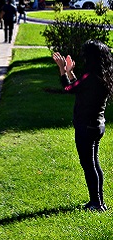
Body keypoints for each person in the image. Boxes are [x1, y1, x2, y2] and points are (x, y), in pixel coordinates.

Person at [53, 41, 113, 211]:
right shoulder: (103, 75)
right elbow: (78, 88)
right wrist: (71, 72)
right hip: (97, 125)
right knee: (94, 163)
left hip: (85, 126)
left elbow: (68, 88)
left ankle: (96, 203)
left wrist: (62, 70)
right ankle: (99, 202)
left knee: (88, 164)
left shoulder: (90, 76)